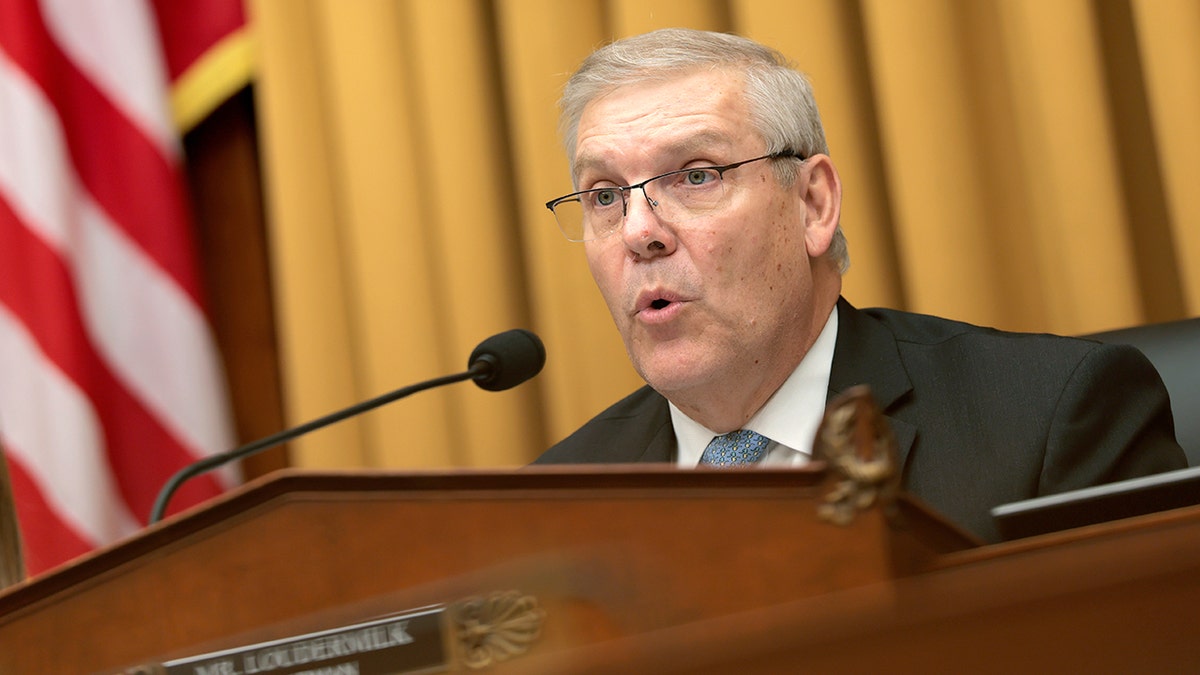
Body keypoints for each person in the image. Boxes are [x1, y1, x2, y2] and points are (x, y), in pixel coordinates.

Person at [532, 28, 1186, 543]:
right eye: (606, 195)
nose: (638, 231)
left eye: (696, 175)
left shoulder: (1047, 423)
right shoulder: (550, 503)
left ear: (812, 203)